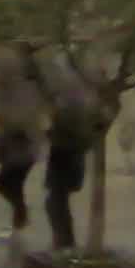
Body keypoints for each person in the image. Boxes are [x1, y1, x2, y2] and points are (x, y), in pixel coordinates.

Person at [0, 43, 48, 238]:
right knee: (11, 184)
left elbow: (23, 113)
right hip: (16, 139)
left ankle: (21, 218)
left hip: (22, 140)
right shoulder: (16, 80)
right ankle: (19, 222)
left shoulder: (26, 83)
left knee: (6, 183)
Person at [38, 46, 101, 254]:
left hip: (67, 151)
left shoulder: (71, 95)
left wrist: (51, 131)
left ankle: (64, 244)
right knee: (56, 200)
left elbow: (66, 120)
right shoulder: (76, 90)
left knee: (55, 200)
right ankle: (63, 242)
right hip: (69, 150)